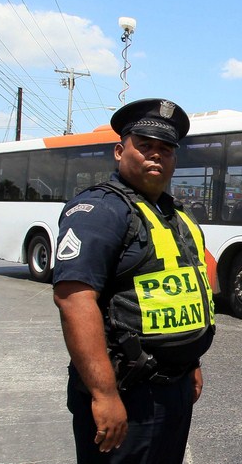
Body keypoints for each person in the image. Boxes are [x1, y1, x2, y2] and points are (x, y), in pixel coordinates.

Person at [53, 98, 215, 463]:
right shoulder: (101, 210)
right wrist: (104, 394)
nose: (156, 155)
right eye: (144, 146)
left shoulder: (175, 215)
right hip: (127, 390)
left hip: (174, 387)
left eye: (166, 149)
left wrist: (191, 363)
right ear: (119, 151)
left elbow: (182, 294)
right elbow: (74, 300)